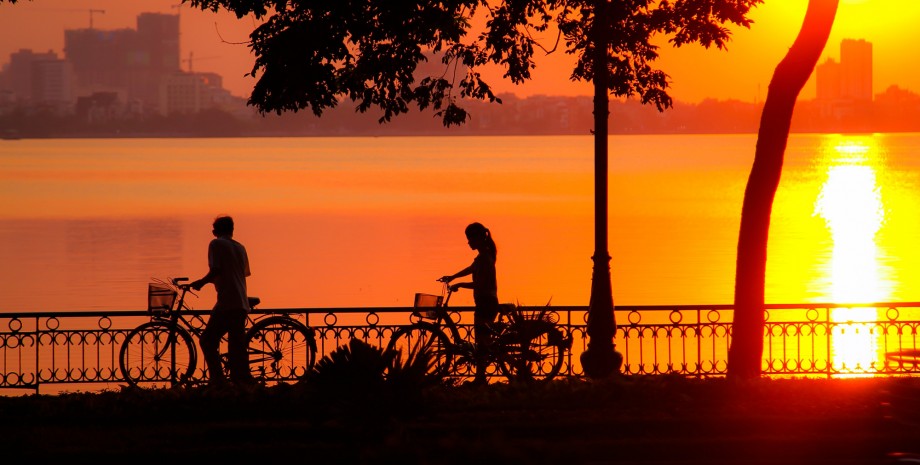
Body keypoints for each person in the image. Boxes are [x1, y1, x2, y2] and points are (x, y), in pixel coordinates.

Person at [191, 215, 254, 387]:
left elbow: (216, 270)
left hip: (227, 302)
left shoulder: (216, 244)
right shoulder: (240, 247)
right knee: (236, 345)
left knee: (207, 340)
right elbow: (239, 273)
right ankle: (240, 379)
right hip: (241, 301)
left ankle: (218, 380)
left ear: (216, 231)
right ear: (232, 230)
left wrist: (201, 283)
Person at [440, 222, 499, 385]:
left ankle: (481, 378)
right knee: (482, 341)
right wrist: (453, 277)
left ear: (479, 238)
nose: (468, 242)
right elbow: (470, 269)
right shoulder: (483, 257)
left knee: (482, 342)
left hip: (486, 303)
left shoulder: (485, 258)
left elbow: (480, 284)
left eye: (470, 238)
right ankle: (481, 376)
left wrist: (459, 285)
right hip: (486, 302)